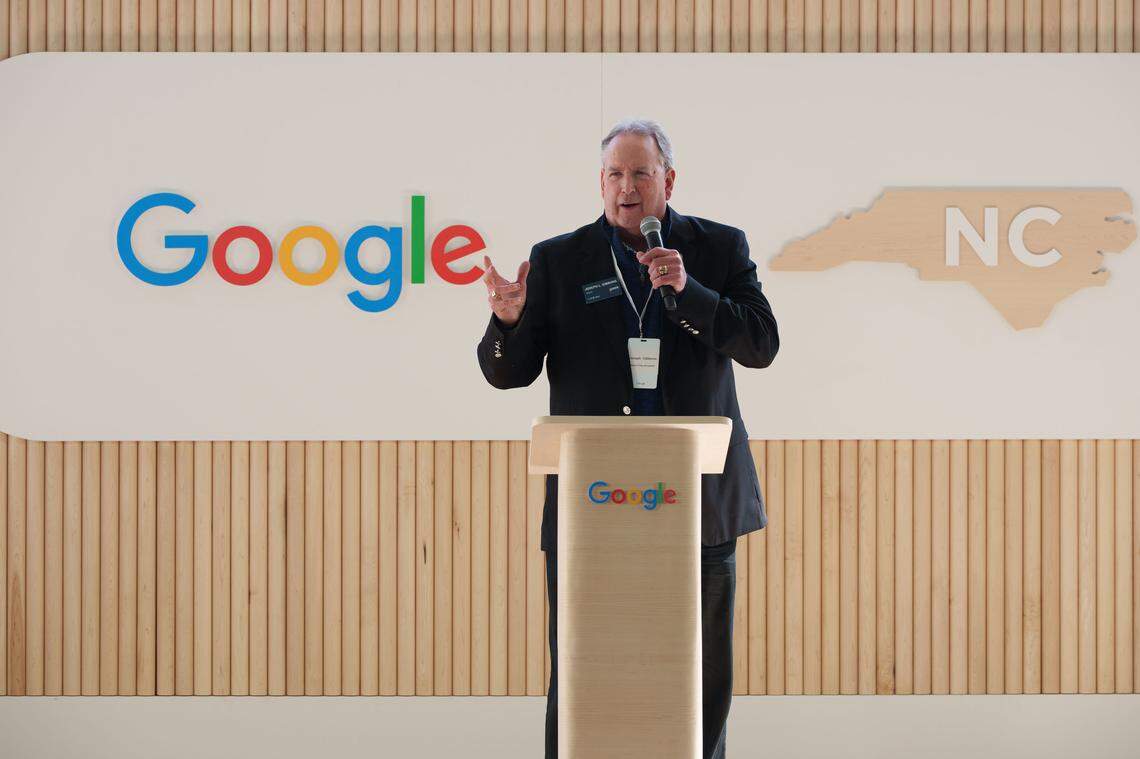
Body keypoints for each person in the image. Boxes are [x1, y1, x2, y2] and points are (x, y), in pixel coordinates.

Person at [475, 118, 779, 759]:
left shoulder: (719, 248)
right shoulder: (560, 259)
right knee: (581, 667)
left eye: (641, 173)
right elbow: (509, 373)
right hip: (594, 504)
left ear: (669, 180)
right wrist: (508, 320)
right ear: (600, 183)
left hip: (698, 504)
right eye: (615, 174)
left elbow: (761, 343)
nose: (627, 187)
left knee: (703, 675)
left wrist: (689, 292)